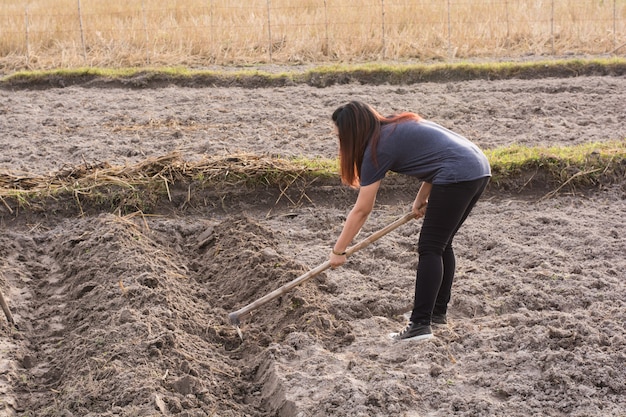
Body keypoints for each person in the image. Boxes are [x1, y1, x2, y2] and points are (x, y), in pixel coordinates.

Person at [329, 101, 491, 342]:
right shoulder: (395, 126)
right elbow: (440, 154)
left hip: (458, 173)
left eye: (339, 135)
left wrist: (338, 250)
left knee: (431, 247)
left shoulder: (378, 149)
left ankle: (420, 324)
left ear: (352, 132)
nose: (338, 140)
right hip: (477, 167)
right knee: (442, 244)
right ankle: (435, 314)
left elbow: (362, 209)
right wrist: (421, 198)